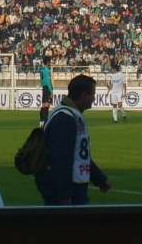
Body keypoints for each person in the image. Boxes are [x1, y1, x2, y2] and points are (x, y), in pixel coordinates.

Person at [35, 74, 111, 205]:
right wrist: (64, 193)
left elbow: (79, 155)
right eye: (93, 94)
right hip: (69, 190)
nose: (94, 98)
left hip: (75, 186)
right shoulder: (65, 118)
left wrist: (99, 178)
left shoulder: (70, 114)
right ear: (84, 95)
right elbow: (61, 157)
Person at [39, 56, 54, 127]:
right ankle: (45, 122)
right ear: (48, 62)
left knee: (43, 105)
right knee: (47, 105)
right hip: (47, 88)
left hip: (44, 87)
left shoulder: (41, 69)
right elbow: (48, 81)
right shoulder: (47, 70)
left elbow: (41, 79)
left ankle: (41, 121)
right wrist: (51, 90)